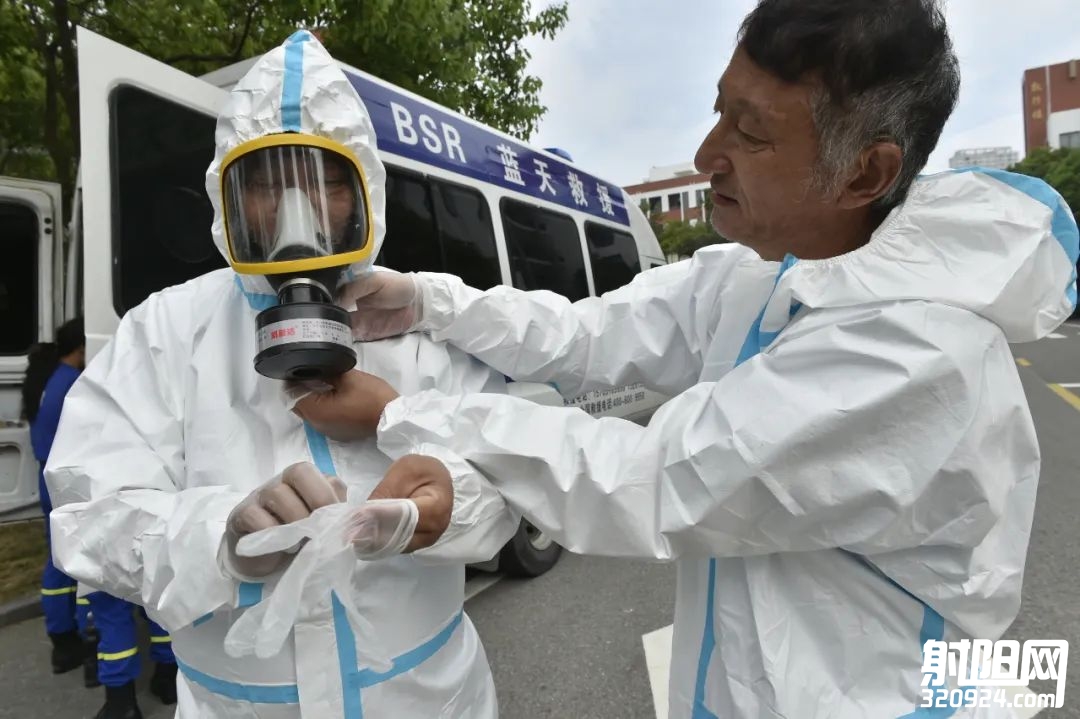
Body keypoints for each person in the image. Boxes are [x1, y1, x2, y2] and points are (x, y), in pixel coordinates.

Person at [291, 1, 1080, 717]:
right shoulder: (766, 273)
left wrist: (402, 413)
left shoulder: (916, 354)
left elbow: (658, 480)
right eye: (719, 112)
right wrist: (430, 300)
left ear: (864, 172)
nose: (708, 154)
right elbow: (590, 335)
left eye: (751, 132)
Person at [45, 30, 517, 718]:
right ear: (229, 198)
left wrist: (446, 508)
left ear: (363, 192)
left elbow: (508, 484)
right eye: (265, 183)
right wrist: (219, 539)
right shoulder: (166, 331)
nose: (296, 212)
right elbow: (88, 511)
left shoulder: (416, 323)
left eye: (326, 182)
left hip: (431, 699)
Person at [25, 318, 178, 718]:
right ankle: (164, 677)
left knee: (103, 600)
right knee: (153, 596)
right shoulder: (123, 393)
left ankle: (117, 693)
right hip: (125, 504)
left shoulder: (65, 384)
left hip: (83, 501)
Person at [23, 319, 91, 675]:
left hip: (48, 475)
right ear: (81, 348)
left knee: (57, 558)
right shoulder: (75, 383)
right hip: (68, 481)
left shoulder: (46, 378)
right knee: (82, 559)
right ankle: (85, 637)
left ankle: (62, 638)